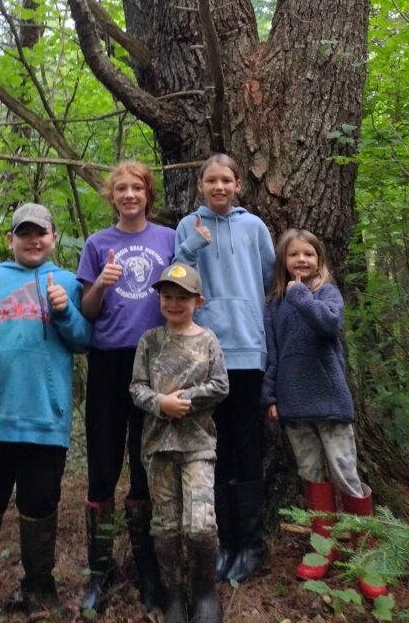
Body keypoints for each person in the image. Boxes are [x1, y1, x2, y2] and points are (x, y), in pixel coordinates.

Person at [0, 202, 91, 622]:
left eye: (41, 232)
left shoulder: (67, 282)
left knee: (40, 505)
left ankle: (39, 589)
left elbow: (85, 340)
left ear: (53, 237)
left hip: (45, 420)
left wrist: (66, 312)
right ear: (11, 239)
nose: (33, 240)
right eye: (24, 233)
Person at [261, 227, 387, 599]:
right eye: (294, 255)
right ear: (283, 262)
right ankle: (323, 542)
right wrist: (270, 395)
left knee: (345, 472)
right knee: (311, 472)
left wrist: (302, 294)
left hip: (330, 403)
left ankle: (368, 552)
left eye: (309, 255)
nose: (302, 260)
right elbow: (273, 354)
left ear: (319, 260)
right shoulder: (275, 304)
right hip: (293, 404)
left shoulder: (324, 293)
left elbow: (328, 324)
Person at [78, 160, 175, 613]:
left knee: (144, 463)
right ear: (111, 196)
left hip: (154, 361)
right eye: (122, 189)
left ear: (147, 194)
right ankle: (98, 574)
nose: (130, 195)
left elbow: (184, 296)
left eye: (137, 188)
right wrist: (101, 282)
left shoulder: (168, 239)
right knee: (102, 464)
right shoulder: (98, 245)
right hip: (108, 361)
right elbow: (89, 310)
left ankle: (147, 571)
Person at [175, 153, 275, 583]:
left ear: (238, 185)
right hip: (206, 353)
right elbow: (178, 276)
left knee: (248, 444)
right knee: (217, 446)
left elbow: (270, 275)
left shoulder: (253, 227)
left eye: (226, 180)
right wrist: (194, 244)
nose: (219, 187)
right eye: (211, 180)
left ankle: (251, 546)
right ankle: (225, 542)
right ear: (200, 185)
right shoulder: (187, 227)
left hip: (248, 349)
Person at [130, 262, 229, 623]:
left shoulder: (208, 340)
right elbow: (137, 387)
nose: (173, 303)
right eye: (167, 297)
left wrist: (183, 399)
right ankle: (173, 593)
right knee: (166, 526)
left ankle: (204, 591)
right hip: (157, 447)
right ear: (159, 299)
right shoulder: (150, 341)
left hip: (198, 445)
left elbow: (221, 386)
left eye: (182, 298)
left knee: (200, 525)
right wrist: (160, 404)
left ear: (197, 301)